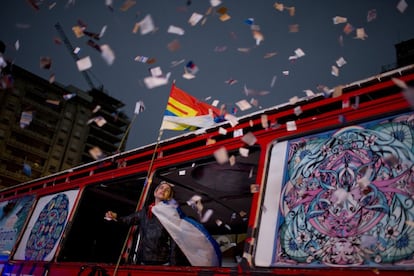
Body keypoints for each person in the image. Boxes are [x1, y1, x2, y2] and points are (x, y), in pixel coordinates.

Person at [105, 181, 190, 266]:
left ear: (169, 197)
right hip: (143, 260)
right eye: (161, 188)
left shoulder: (171, 214)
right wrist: (114, 216)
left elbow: (174, 241)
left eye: (167, 190)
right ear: (155, 192)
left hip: (162, 262)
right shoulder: (145, 212)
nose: (163, 190)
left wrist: (173, 265)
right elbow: (126, 220)